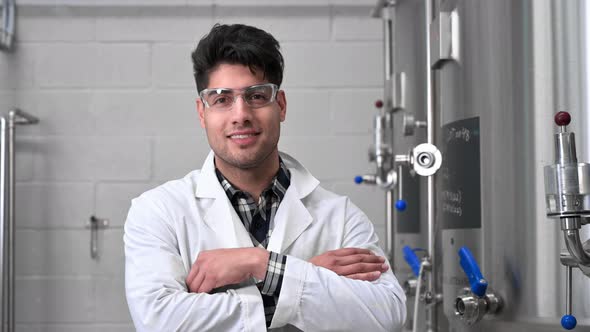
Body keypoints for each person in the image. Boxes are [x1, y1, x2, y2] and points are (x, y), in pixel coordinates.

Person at [124, 23, 406, 332]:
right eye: (221, 99)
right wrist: (302, 277)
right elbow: (160, 321)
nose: (240, 114)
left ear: (280, 105)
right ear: (202, 112)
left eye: (257, 96)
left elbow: (387, 313)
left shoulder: (340, 216)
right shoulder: (158, 211)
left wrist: (259, 263)